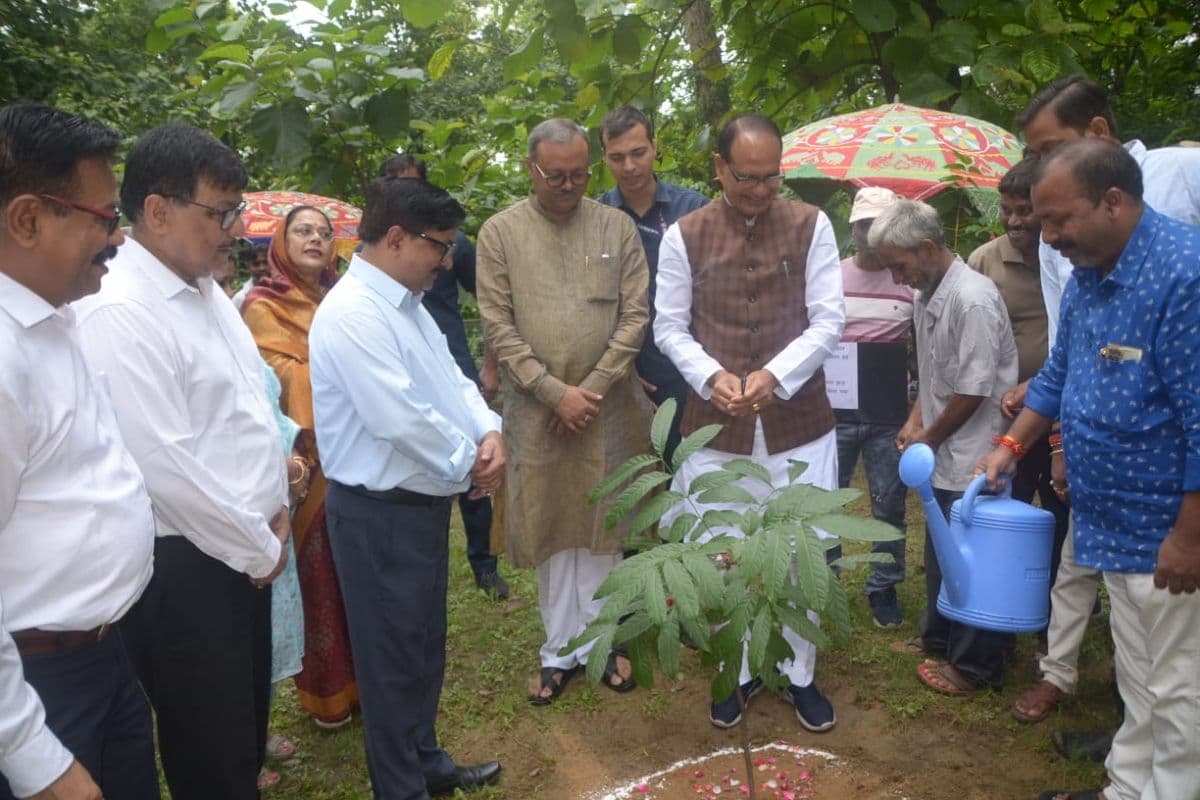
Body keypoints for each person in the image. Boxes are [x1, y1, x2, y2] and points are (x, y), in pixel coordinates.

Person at [977, 137, 1200, 800]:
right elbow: (1059, 376)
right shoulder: (1088, 276)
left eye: (1057, 220)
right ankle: (1129, 788)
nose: (1046, 239)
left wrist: (1189, 537)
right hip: (1109, 523)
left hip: (1167, 530)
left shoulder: (1185, 277)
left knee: (1180, 684)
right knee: (1138, 676)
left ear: (1114, 201)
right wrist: (1010, 447)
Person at [73, 123, 290, 800]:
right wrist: (258, 546)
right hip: (193, 568)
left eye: (237, 212)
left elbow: (246, 407)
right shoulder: (122, 311)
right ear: (158, 211)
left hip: (245, 551)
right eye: (219, 213)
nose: (233, 229)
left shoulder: (203, 290)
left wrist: (275, 497)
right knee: (213, 754)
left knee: (241, 734)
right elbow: (164, 469)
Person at [310, 176, 505, 799]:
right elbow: (397, 415)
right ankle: (403, 789)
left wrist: (489, 430)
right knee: (391, 664)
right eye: (438, 247)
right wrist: (470, 463)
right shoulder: (350, 314)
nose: (446, 262)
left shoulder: (408, 305)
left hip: (418, 507)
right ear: (395, 238)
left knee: (422, 647)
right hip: (376, 515)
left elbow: (453, 378)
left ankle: (427, 762)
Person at [655, 114, 844, 731]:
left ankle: (799, 673)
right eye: (746, 179)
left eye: (772, 178)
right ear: (718, 167)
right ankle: (732, 670)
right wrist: (712, 377)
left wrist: (775, 375)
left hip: (800, 422)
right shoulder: (683, 235)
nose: (761, 191)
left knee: (800, 551)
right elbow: (668, 327)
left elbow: (828, 319)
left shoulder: (813, 226)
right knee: (721, 549)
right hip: (716, 427)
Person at [0, 102, 158, 800]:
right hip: (38, 685)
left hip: (101, 654)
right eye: (100, 217)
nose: (117, 237)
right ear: (28, 218)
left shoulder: (54, 320)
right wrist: (38, 760)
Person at [476, 118, 651, 705]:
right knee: (551, 524)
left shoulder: (616, 226)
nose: (570, 186)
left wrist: (590, 390)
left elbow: (634, 317)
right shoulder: (500, 234)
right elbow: (497, 323)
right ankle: (558, 651)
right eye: (557, 176)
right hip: (535, 409)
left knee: (605, 524)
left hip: (606, 405)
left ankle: (605, 643)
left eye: (580, 175)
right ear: (532, 169)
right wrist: (554, 393)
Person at [869, 199, 1019, 697]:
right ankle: (937, 637)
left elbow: (975, 390)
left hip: (978, 448)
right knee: (939, 545)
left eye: (900, 265)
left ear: (928, 247)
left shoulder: (972, 299)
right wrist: (916, 420)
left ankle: (976, 665)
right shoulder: (925, 292)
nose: (896, 277)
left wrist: (928, 438)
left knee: (971, 554)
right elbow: (932, 374)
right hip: (941, 448)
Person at [241, 206, 360, 729]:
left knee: (357, 569)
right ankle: (327, 694)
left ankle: (366, 680)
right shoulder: (261, 304)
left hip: (355, 450)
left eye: (324, 232)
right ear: (280, 242)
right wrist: (331, 367)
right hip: (303, 461)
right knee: (318, 574)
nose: (315, 239)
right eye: (303, 231)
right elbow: (273, 376)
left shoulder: (345, 296)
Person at [379, 153, 509, 599]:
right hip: (403, 388)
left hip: (452, 363)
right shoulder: (366, 274)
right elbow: (399, 418)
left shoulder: (455, 247)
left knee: (476, 482)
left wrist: (489, 371)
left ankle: (484, 563)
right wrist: (473, 462)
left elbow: (490, 302)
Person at [967, 157, 1071, 703]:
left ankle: (1054, 642)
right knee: (1001, 530)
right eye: (1006, 209)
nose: (1015, 220)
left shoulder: (1071, 257)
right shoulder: (985, 260)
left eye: (1025, 209)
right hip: (1008, 426)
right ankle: (995, 636)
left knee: (1057, 533)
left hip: (1063, 422)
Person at [597, 106, 708, 463]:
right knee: (630, 489)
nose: (629, 166)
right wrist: (621, 371)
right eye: (617, 157)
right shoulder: (596, 219)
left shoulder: (694, 211)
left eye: (638, 153)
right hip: (622, 373)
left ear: (655, 146)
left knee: (690, 476)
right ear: (605, 158)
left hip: (689, 369)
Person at [828, 186, 911, 628]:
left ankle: (883, 584)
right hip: (833, 413)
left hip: (887, 413)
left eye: (881, 224)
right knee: (825, 499)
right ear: (854, 228)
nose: (872, 234)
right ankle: (823, 582)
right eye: (865, 225)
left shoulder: (907, 281)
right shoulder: (831, 277)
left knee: (889, 501)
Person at [232, 241, 269, 309]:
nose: (262, 268)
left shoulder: (284, 292)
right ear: (248, 267)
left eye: (265, 262)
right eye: (256, 264)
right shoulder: (241, 298)